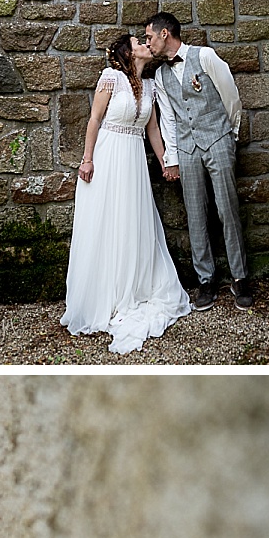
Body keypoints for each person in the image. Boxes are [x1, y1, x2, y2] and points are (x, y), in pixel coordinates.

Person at [61, 34, 191, 354]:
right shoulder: (111, 78)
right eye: (138, 41)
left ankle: (132, 287)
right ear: (127, 52)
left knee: (132, 221)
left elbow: (153, 131)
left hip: (133, 159)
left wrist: (166, 162)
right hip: (108, 155)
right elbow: (94, 119)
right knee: (106, 221)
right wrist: (87, 159)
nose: (145, 44)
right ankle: (104, 294)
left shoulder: (149, 86)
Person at [144, 11, 251, 312]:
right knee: (195, 214)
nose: (147, 43)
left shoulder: (205, 57)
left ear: (165, 34)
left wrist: (231, 134)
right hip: (188, 149)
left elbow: (231, 96)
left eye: (149, 36)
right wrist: (172, 157)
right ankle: (206, 281)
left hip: (218, 139)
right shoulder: (161, 76)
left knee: (228, 209)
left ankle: (240, 278)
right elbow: (169, 120)